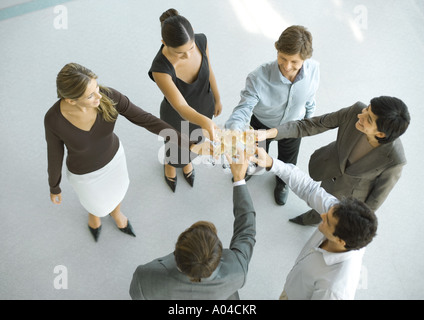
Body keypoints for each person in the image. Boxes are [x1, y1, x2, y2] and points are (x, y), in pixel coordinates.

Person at [45, 63, 206, 242]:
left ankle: (117, 213)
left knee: (118, 191)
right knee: (96, 204)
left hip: (114, 160)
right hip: (84, 175)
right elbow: (54, 154)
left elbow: (147, 120)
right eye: (90, 95)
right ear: (70, 100)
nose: (99, 96)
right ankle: (95, 215)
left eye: (97, 87)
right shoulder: (53, 120)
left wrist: (189, 144)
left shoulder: (109, 96)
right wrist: (54, 186)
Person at [252, 147, 378, 300]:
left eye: (327, 221)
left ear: (340, 240)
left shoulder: (334, 290)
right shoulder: (340, 216)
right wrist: (272, 163)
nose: (322, 215)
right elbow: (310, 189)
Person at [129, 150, 256, 300]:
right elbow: (246, 231)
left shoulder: (144, 279)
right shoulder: (237, 272)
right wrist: (239, 179)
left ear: (177, 251)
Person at [263, 96, 410, 225]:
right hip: (329, 167)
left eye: (368, 119)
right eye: (367, 109)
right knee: (319, 199)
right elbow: (313, 124)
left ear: (380, 134)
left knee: (328, 214)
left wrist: (355, 223)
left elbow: (376, 199)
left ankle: (313, 220)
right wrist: (268, 133)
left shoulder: (395, 160)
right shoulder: (355, 110)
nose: (361, 115)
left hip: (351, 194)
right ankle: (312, 216)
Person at [225, 25, 320, 205]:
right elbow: (243, 108)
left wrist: (308, 121)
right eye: (282, 58)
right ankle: (251, 168)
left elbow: (310, 98)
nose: (286, 66)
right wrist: (235, 131)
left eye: (294, 62)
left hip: (293, 127)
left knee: (288, 161)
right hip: (261, 124)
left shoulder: (314, 70)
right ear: (277, 49)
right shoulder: (258, 77)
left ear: (305, 59)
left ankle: (282, 183)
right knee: (255, 154)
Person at [149, 8, 222, 192]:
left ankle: (186, 162)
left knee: (195, 142)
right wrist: (204, 121)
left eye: (190, 48)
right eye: (180, 53)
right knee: (175, 145)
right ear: (164, 43)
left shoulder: (201, 40)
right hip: (177, 116)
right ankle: (171, 165)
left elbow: (209, 69)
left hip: (204, 105)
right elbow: (180, 106)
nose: (188, 55)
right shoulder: (160, 69)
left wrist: (217, 98)